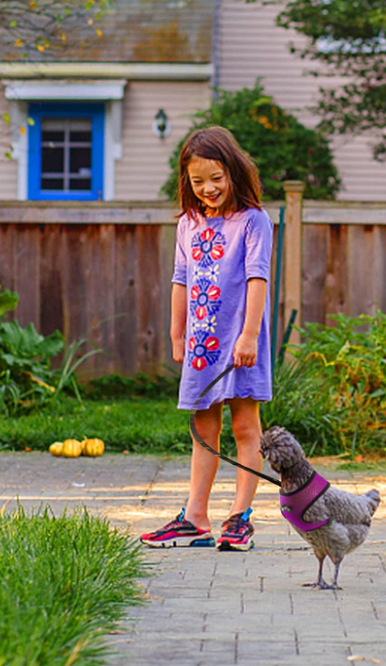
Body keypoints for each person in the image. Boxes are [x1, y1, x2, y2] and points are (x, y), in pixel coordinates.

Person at [140, 126, 273, 551]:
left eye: (216, 178)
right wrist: (177, 333)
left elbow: (257, 277)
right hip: (202, 343)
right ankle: (195, 517)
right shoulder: (189, 223)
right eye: (198, 182)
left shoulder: (254, 221)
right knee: (202, 428)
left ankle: (239, 518)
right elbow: (181, 279)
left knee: (245, 427)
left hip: (240, 342)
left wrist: (249, 334)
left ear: (233, 171)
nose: (208, 189)